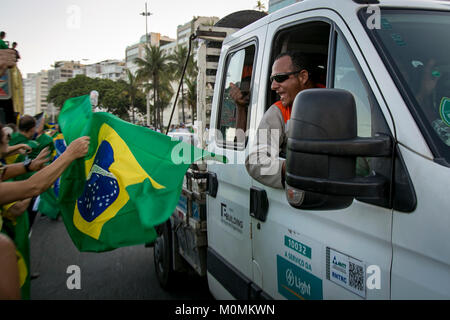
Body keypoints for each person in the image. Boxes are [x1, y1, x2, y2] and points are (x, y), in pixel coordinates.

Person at [244, 52, 321, 189]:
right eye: (272, 79)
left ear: (303, 77)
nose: (273, 86)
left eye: (279, 78)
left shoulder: (337, 100)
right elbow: (256, 162)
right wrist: (293, 167)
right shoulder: (278, 112)